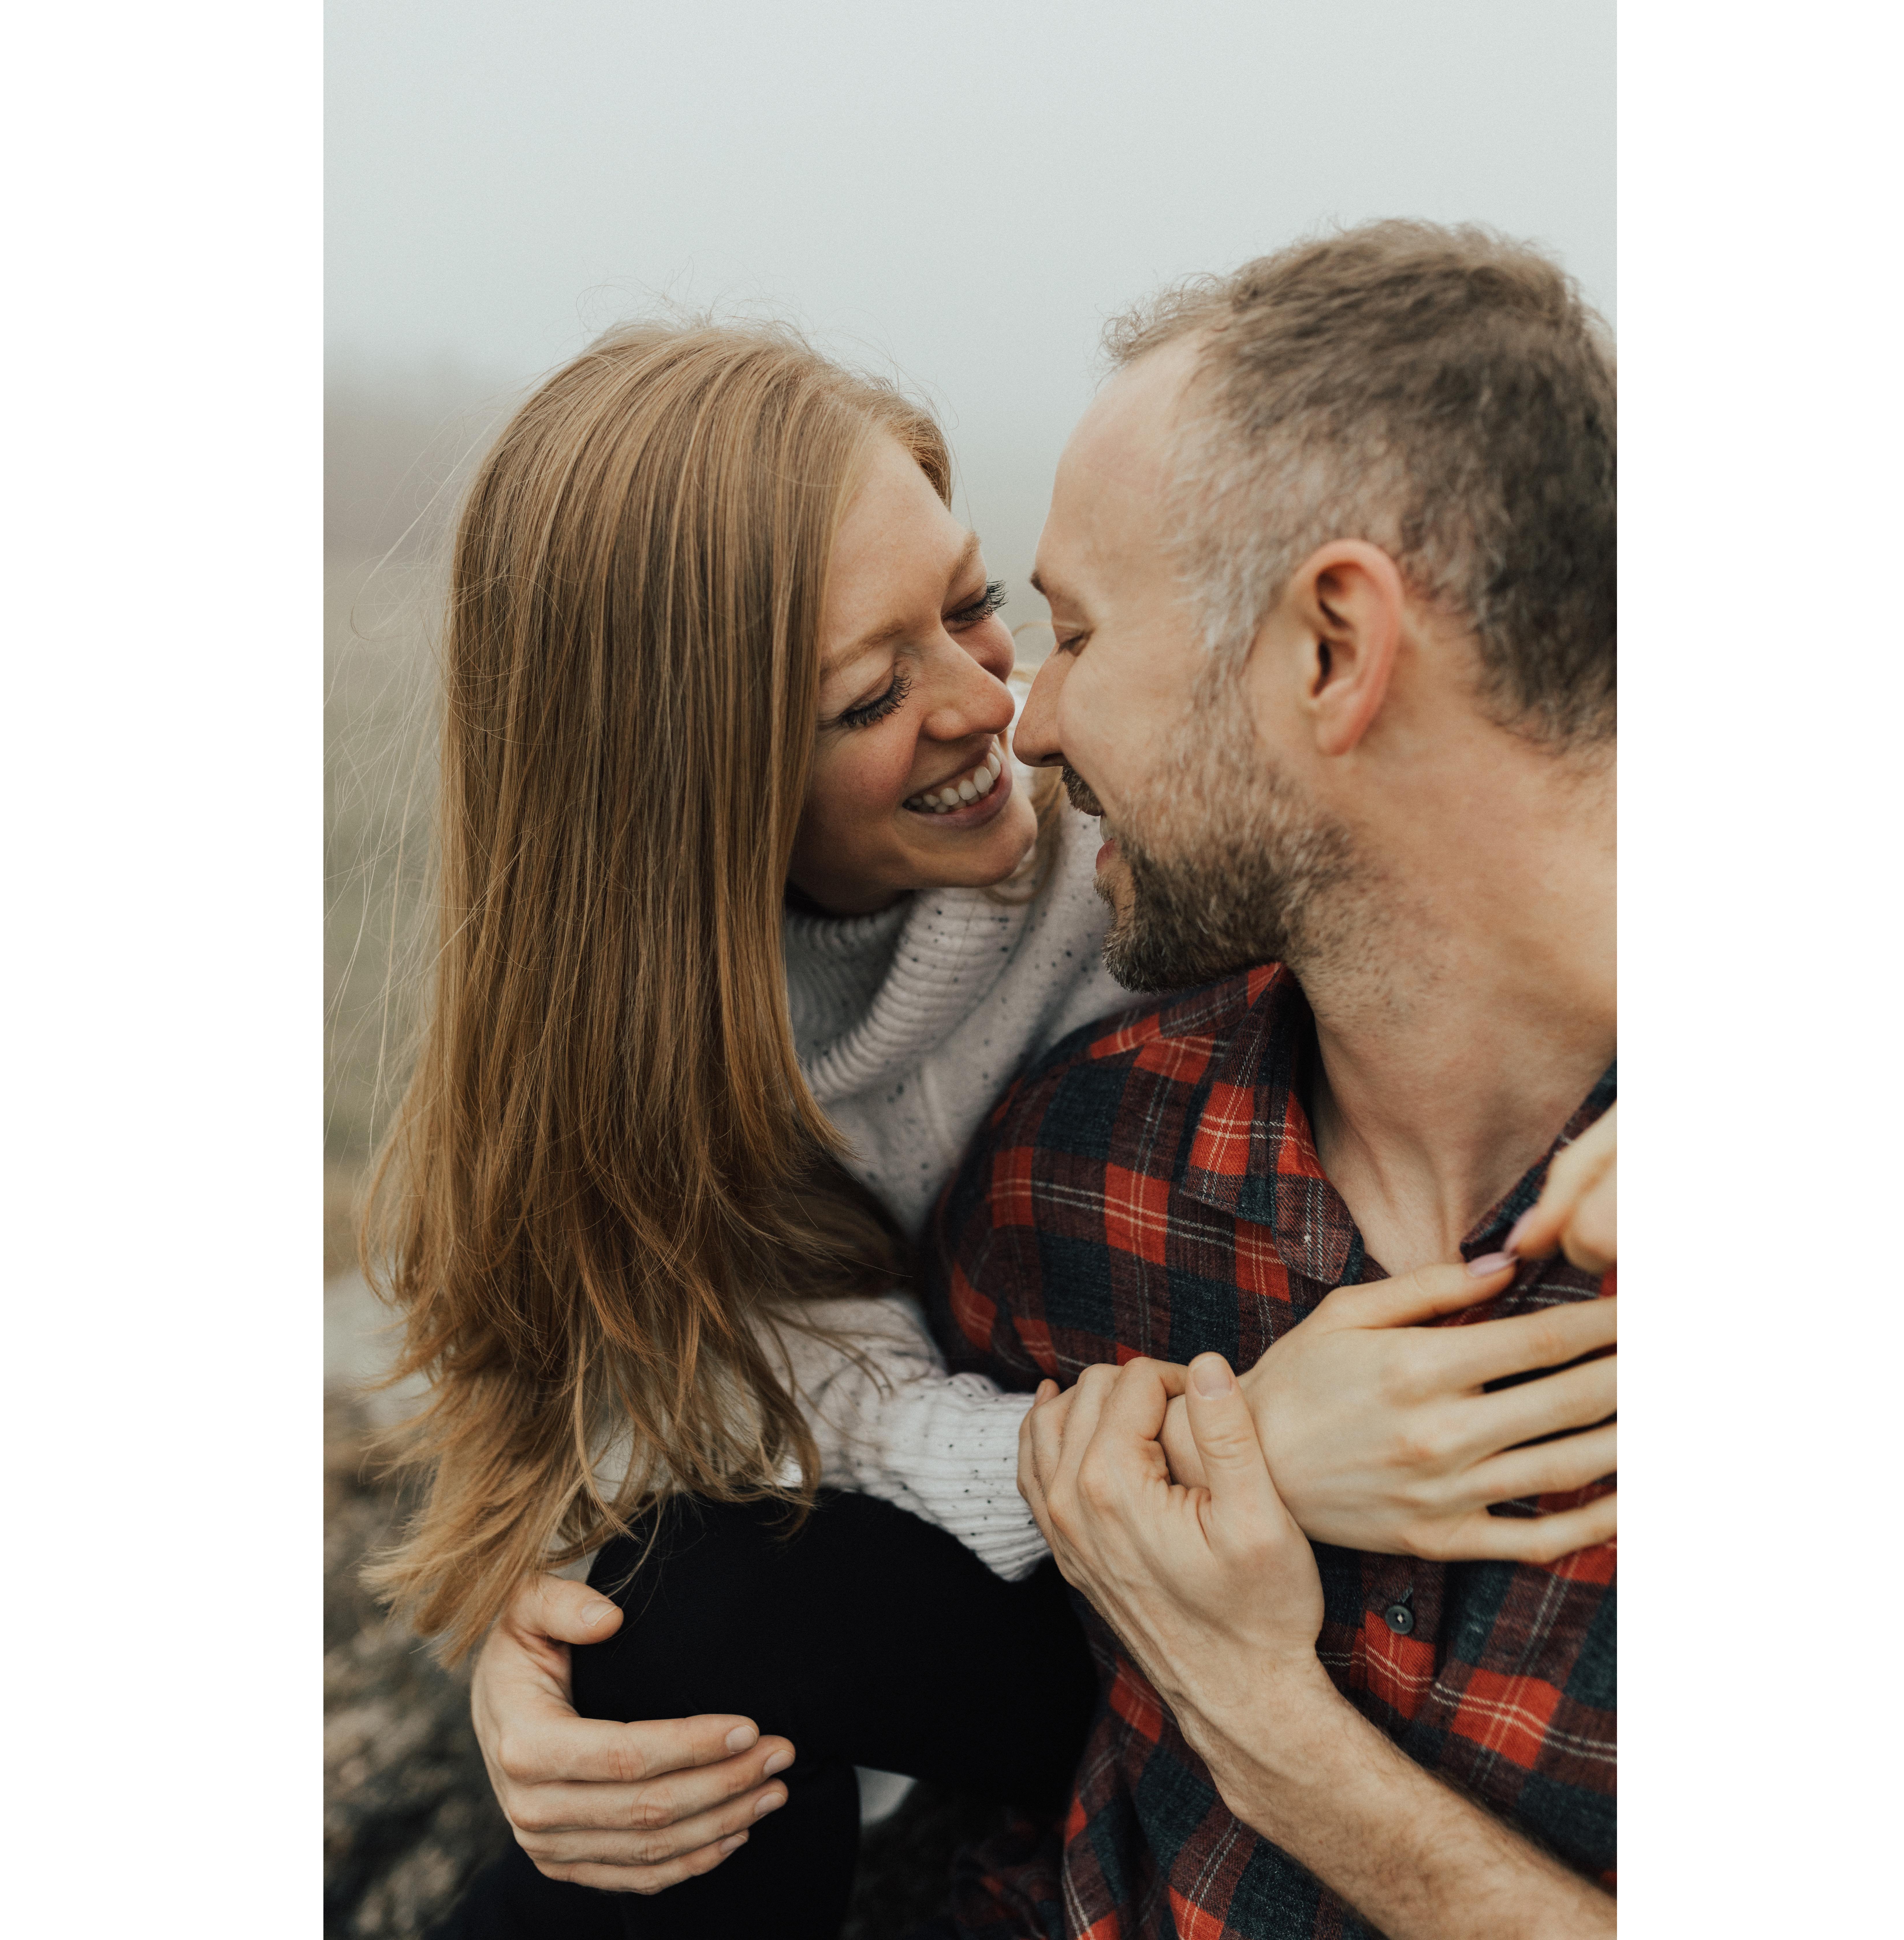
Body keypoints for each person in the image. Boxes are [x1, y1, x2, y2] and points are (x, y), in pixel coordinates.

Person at [396, 283, 1618, 1937]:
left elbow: (1512, 767)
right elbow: (721, 1440)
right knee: (660, 1640)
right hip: (1037, 1563)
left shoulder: (1143, 872)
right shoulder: (821, 1101)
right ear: (692, 791)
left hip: (1104, 1539)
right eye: (860, 702)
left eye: (992, 613)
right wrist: (547, 1666)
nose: (1006, 714)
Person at [930, 220, 1619, 1937]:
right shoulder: (1075, 1179)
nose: (1032, 721)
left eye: (1078, 634)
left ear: (1331, 650)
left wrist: (1265, 1726)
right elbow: (811, 1497)